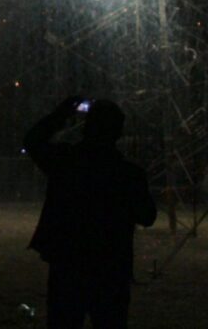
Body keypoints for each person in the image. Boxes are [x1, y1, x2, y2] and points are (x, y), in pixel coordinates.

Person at [24, 96, 157, 329]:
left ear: (86, 128)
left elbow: (32, 141)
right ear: (118, 133)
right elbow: (148, 216)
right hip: (111, 269)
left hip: (69, 266)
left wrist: (62, 113)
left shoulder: (66, 162)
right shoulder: (128, 174)